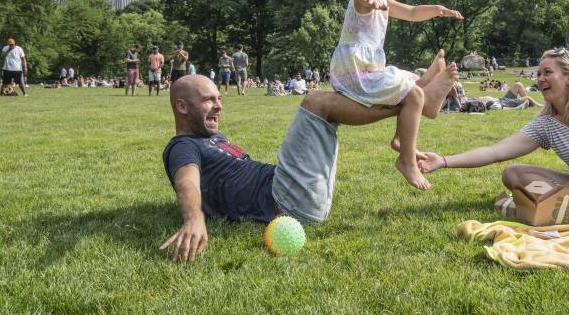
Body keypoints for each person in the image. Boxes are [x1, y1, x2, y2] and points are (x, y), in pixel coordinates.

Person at [160, 59, 458, 262]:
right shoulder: (182, 146)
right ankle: (413, 100)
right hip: (288, 200)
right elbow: (187, 181)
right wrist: (194, 219)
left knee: (324, 113)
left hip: (297, 195)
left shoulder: (212, 137)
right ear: (182, 106)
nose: (219, 106)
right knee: (316, 103)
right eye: (209, 100)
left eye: (219, 99)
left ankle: (413, 98)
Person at [419, 49, 569, 220]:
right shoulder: (546, 124)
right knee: (513, 174)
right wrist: (443, 161)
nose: (540, 79)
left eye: (547, 72)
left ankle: (549, 207)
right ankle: (567, 205)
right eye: (538, 74)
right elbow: (496, 152)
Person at [329, 0, 463, 191]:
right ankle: (406, 159)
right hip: (354, 71)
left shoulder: (387, 2)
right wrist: (370, 2)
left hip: (369, 68)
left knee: (410, 84)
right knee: (412, 92)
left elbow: (412, 13)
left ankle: (407, 130)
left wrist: (437, 9)